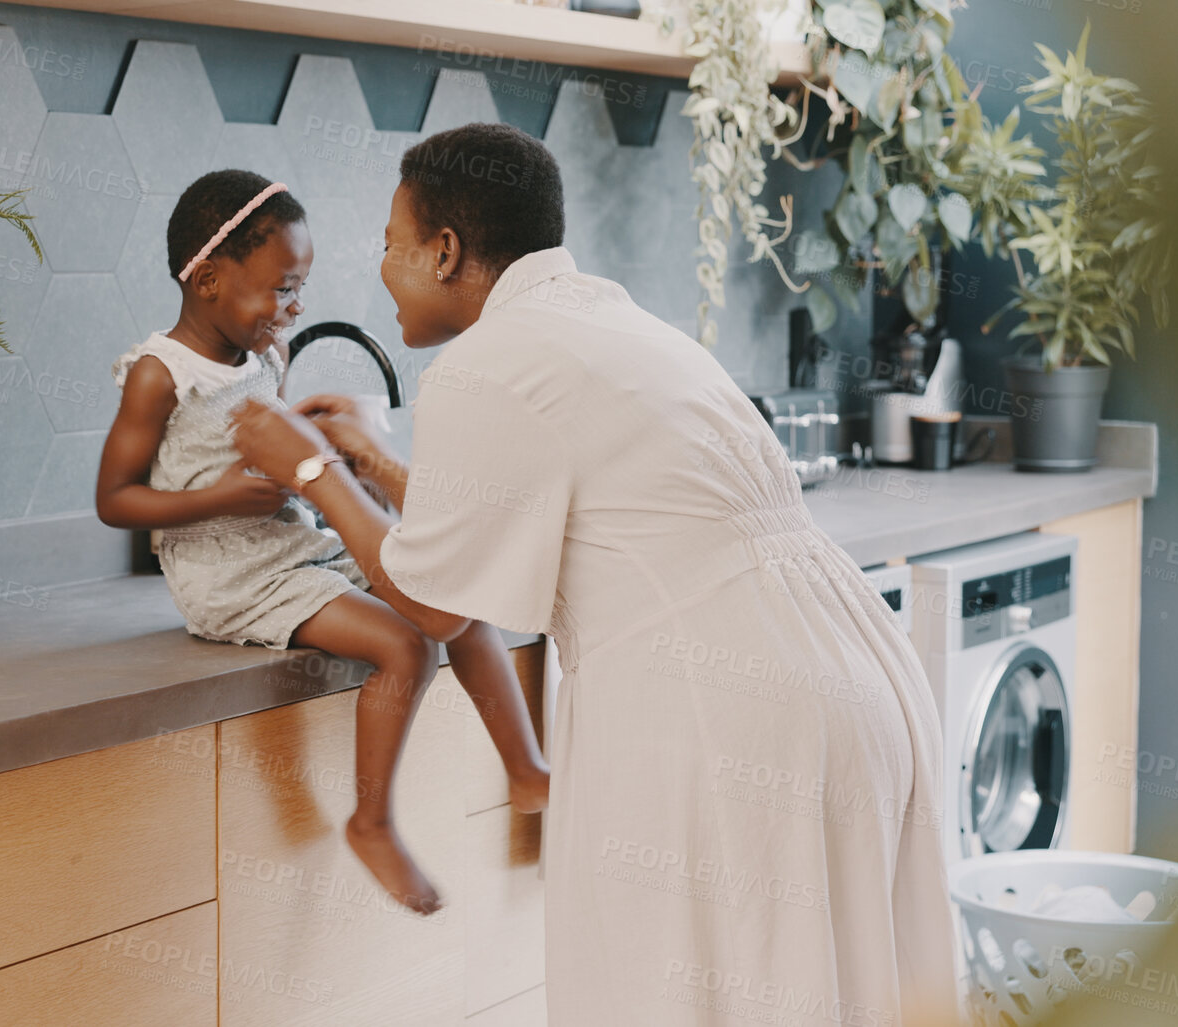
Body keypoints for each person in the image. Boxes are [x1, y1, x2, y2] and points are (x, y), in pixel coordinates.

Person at [229, 124, 958, 1026]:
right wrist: (376, 464)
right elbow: (537, 511)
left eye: (389, 242)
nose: (379, 266)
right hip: (852, 678)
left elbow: (434, 604)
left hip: (723, 709)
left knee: (686, 992)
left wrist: (309, 471)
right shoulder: (607, 319)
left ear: (445, 250)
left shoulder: (482, 365)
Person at [95, 169, 551, 915]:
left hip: (291, 548)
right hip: (233, 578)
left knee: (452, 592)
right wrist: (225, 495)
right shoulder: (158, 374)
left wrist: (309, 440)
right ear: (208, 279)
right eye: (281, 288)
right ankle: (371, 823)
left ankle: (526, 767)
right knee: (407, 644)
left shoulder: (259, 357)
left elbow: (270, 448)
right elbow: (114, 500)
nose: (294, 305)